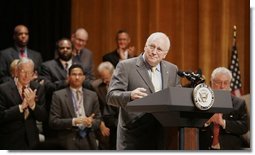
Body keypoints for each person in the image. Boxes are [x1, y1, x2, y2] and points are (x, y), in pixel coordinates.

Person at [106, 32, 181, 150]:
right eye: (152, 46)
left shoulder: (172, 69)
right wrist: (130, 95)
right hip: (133, 138)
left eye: (159, 49)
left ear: (165, 54)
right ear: (145, 46)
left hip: (162, 136)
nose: (154, 51)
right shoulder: (125, 66)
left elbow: (177, 97)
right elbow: (111, 96)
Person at [49, 64, 101, 149]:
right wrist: (74, 121)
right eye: (74, 74)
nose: (77, 77)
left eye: (80, 75)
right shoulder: (58, 95)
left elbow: (98, 119)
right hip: (68, 137)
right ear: (68, 77)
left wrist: (91, 122)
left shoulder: (92, 95)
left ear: (84, 77)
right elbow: (53, 121)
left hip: (88, 138)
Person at [0, 58, 47, 149]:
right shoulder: (3, 89)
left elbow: (43, 116)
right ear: (17, 72)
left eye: (29, 73)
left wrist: (33, 105)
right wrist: (21, 107)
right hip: (9, 140)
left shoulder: (38, 88)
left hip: (31, 141)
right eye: (23, 72)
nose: (26, 76)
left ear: (33, 74)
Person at [199, 67, 248, 150]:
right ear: (211, 83)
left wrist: (223, 122)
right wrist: (207, 121)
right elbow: (192, 123)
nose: (222, 86)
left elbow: (244, 127)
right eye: (218, 82)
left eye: (225, 83)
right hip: (205, 148)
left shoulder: (239, 103)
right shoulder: (201, 100)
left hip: (229, 148)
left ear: (230, 84)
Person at [92, 61, 118, 150]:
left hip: (120, 119)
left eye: (106, 78)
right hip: (105, 120)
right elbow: (96, 108)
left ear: (113, 73)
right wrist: (101, 124)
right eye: (101, 78)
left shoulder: (122, 84)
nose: (104, 81)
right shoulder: (96, 86)